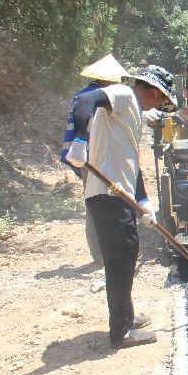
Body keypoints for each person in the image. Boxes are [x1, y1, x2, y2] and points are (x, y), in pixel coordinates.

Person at [65, 65, 177, 348]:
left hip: (118, 194)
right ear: (154, 92)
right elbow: (85, 100)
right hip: (107, 194)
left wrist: (143, 200)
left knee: (126, 256)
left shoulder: (130, 113)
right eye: (160, 100)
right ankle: (121, 332)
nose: (158, 105)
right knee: (120, 261)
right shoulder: (124, 94)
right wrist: (78, 141)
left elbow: (130, 161)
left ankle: (126, 317)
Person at [61, 54, 129, 266]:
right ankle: (101, 254)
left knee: (96, 203)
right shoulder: (95, 96)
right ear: (108, 79)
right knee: (99, 204)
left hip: (91, 159)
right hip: (94, 159)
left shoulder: (84, 94)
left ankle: (102, 252)